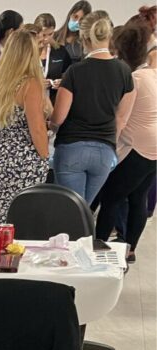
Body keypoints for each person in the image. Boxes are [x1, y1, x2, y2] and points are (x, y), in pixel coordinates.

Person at [0, 29, 51, 238]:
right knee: (11, 224)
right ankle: (7, 265)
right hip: (17, 161)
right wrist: (44, 157)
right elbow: (37, 128)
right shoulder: (30, 84)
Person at [51, 12, 136, 203]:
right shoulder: (125, 72)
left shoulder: (75, 71)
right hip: (104, 152)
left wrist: (50, 127)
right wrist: (109, 143)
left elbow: (58, 118)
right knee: (83, 213)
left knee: (68, 213)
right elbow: (121, 119)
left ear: (84, 38)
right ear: (108, 36)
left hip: (71, 148)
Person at [95, 20, 157, 260]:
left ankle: (98, 246)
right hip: (152, 149)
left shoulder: (135, 78)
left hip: (137, 148)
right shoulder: (150, 75)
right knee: (138, 197)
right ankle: (130, 248)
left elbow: (119, 117)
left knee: (111, 197)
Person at [34, 12, 73, 99]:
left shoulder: (60, 51)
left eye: (50, 34)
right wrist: (36, 84)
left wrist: (63, 83)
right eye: (43, 35)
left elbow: (70, 76)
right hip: (32, 100)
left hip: (54, 101)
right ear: (36, 33)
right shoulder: (27, 52)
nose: (47, 38)